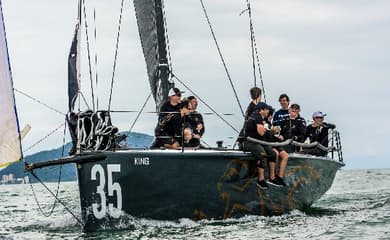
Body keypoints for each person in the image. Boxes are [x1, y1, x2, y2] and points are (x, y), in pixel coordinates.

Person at [242, 102, 284, 189]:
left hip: (259, 142)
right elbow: (261, 133)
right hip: (250, 143)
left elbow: (264, 133)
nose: (268, 111)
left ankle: (272, 178)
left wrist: (271, 130)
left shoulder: (261, 118)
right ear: (262, 110)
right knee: (262, 154)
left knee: (272, 154)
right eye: (267, 109)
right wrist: (269, 129)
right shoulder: (256, 116)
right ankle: (261, 180)